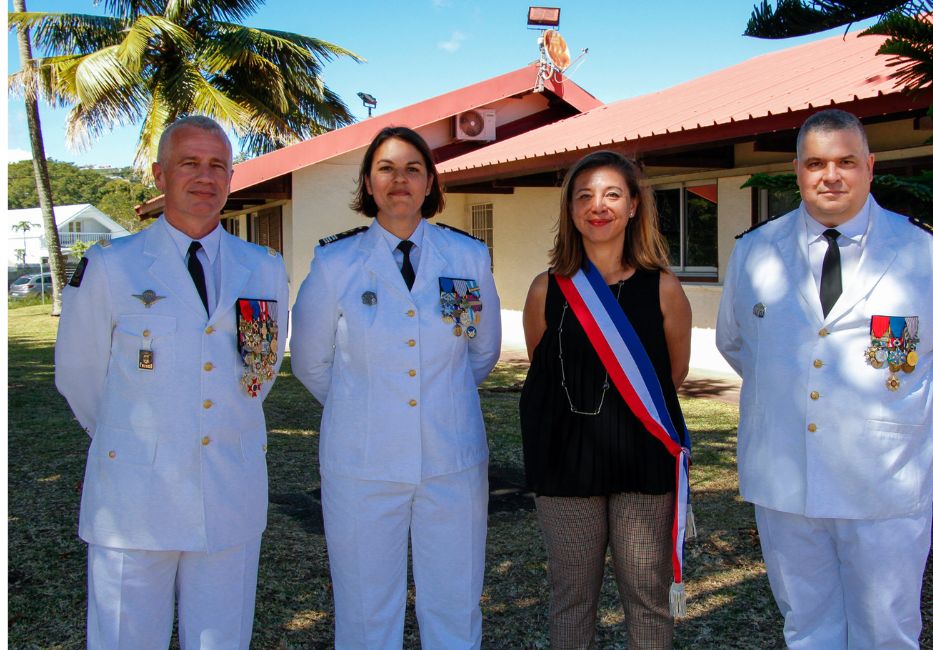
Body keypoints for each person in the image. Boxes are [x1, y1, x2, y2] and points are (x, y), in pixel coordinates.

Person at [716, 109, 933, 649]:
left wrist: (902, 415)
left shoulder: (927, 253)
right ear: (796, 171)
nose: (831, 175)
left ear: (870, 167)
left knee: (886, 628)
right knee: (806, 624)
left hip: (883, 478)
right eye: (816, 163)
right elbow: (737, 344)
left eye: (846, 161)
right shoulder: (755, 251)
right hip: (786, 477)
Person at [54, 115, 289, 648]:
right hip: (135, 497)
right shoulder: (113, 266)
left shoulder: (264, 268)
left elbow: (260, 371)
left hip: (229, 489)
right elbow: (79, 374)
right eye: (189, 163)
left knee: (222, 639)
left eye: (217, 166)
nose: (205, 177)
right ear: (160, 175)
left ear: (231, 178)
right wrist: (139, 442)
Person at [290, 126, 501, 649]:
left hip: (450, 460)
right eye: (386, 168)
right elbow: (311, 362)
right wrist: (366, 407)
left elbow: (481, 353)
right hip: (362, 464)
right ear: (368, 181)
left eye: (412, 169)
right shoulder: (335, 263)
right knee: (365, 611)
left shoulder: (467, 258)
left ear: (430, 182)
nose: (399, 180)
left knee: (454, 604)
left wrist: (436, 403)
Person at [519, 150, 693, 649]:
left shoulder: (663, 288)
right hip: (565, 464)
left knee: (648, 597)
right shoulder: (545, 289)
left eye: (613, 195)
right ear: (571, 210)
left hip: (643, 462)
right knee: (572, 598)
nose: (599, 207)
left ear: (635, 206)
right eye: (585, 196)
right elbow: (543, 369)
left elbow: (672, 374)